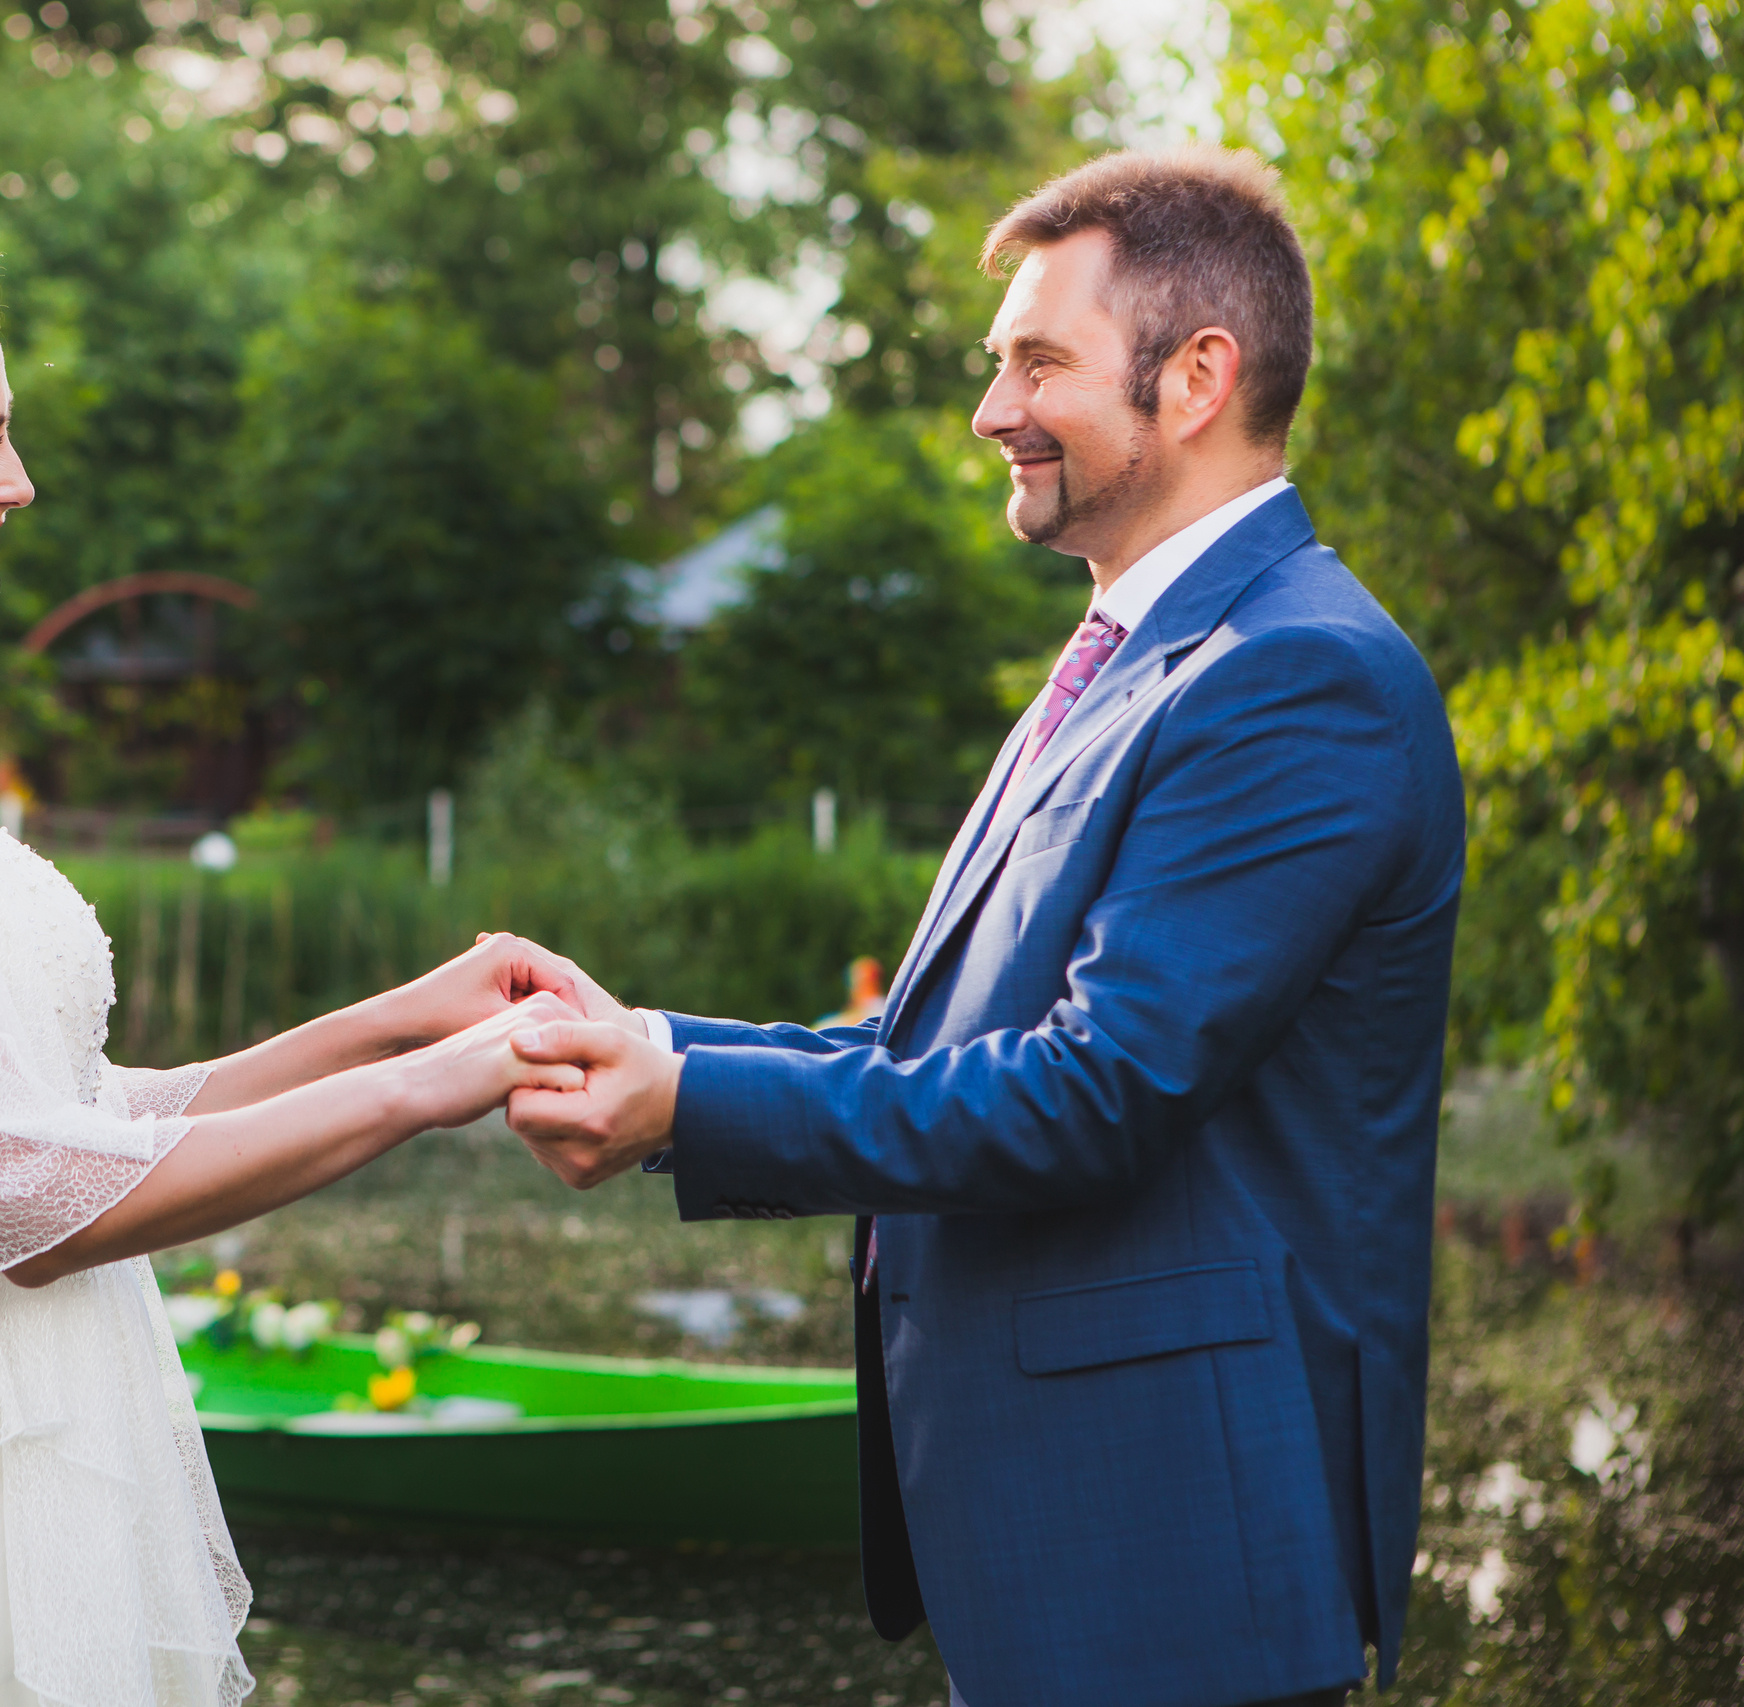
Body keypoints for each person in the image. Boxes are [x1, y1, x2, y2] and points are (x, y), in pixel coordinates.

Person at [504, 148, 1464, 1707]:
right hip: (1078, 1552)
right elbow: (946, 1050)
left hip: (1180, 1568)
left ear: (1198, 377)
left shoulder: (1301, 680)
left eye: (1040, 361)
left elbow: (1097, 1095)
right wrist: (660, 1053)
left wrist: (683, 1104)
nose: (991, 407)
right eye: (997, 362)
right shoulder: (1133, 652)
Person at [0, 199, 582, 1707]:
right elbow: (22, 1198)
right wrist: (435, 1089)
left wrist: (390, 1026)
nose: (22, 481)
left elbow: (62, 1113)